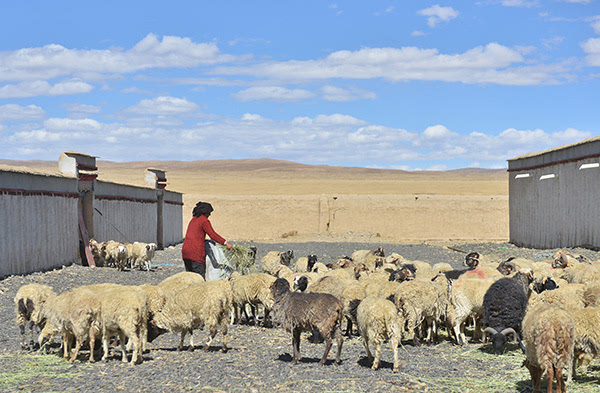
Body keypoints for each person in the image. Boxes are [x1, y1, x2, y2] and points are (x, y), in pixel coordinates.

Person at [181, 201, 233, 279]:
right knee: (199, 279)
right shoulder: (204, 220)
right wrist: (225, 243)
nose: (210, 214)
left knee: (191, 278)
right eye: (209, 212)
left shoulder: (194, 219)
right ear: (205, 212)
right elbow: (212, 235)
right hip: (196, 254)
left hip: (186, 253)